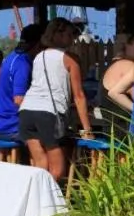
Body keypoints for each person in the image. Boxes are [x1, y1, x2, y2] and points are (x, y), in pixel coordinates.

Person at [18, 19, 93, 180]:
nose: (73, 38)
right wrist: (87, 130)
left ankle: (38, 201)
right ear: (58, 34)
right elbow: (78, 95)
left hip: (26, 111)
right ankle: (51, 203)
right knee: (57, 170)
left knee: (40, 165)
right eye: (70, 34)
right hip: (48, 113)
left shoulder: (39, 56)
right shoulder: (69, 58)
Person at [0, 23, 44, 140]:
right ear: (39, 44)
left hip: (2, 124)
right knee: (55, 137)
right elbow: (19, 100)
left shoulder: (13, 57)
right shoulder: (22, 63)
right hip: (12, 126)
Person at [99, 29, 134, 126]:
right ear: (127, 45)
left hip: (112, 127)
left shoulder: (116, 64)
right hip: (126, 128)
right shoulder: (129, 66)